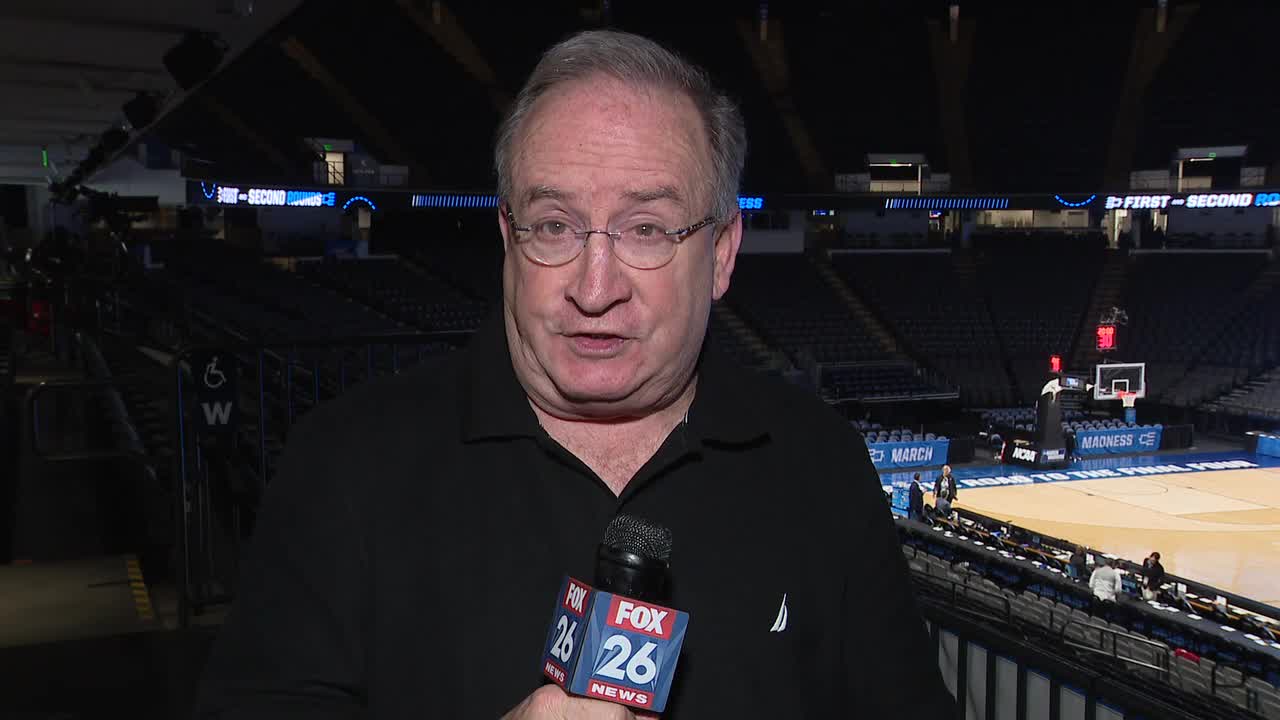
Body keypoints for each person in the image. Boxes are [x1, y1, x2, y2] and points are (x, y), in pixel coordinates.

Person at [194, 30, 952, 719]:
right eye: (554, 225)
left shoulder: (819, 460)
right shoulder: (345, 460)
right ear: (508, 237)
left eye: (648, 229)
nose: (594, 289)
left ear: (721, 253)